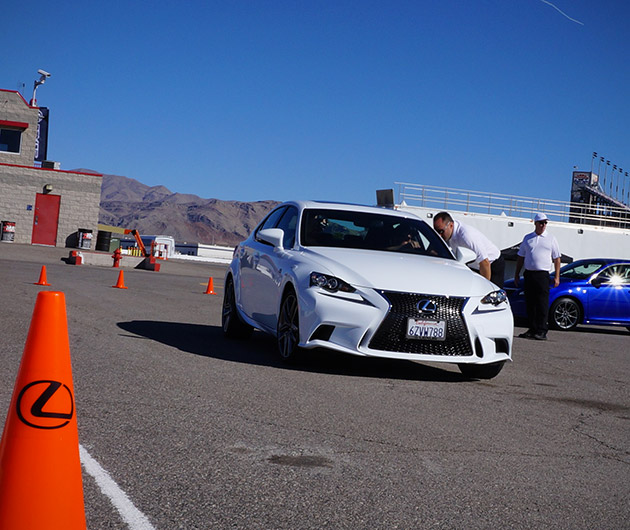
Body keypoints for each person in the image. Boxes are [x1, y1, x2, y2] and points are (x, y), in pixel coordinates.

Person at [514, 213, 561, 341]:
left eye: (545, 223)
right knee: (530, 302)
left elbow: (557, 258)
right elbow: (521, 257)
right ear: (535, 223)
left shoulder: (551, 238)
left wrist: (557, 276)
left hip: (542, 275)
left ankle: (541, 330)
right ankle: (532, 328)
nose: (543, 225)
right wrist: (517, 274)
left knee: (542, 303)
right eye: (541, 223)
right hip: (529, 274)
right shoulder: (528, 238)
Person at [433, 211, 505, 287]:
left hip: (492, 264)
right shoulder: (446, 235)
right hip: (473, 266)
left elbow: (485, 263)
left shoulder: (467, 236)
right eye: (436, 232)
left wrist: (485, 288)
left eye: (441, 231)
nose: (439, 235)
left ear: (451, 225)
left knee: (491, 295)